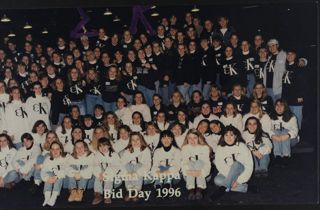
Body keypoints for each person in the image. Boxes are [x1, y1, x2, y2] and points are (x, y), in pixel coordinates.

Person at [211, 125, 253, 200]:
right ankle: (245, 188)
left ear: (236, 136)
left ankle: (223, 188)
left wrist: (240, 180)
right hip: (227, 174)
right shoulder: (220, 148)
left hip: (241, 171)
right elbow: (220, 166)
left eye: (231, 135)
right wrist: (232, 179)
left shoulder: (242, 146)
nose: (228, 138)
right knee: (217, 180)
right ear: (223, 137)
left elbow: (249, 165)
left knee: (236, 164)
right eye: (226, 135)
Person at [119, 132, 151, 202]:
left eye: (137, 139)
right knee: (127, 164)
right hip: (130, 174)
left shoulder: (146, 150)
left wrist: (137, 173)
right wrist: (126, 173)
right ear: (130, 141)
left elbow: (148, 165)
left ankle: (136, 190)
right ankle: (130, 190)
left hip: (143, 175)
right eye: (133, 140)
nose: (135, 142)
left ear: (141, 140)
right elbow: (121, 164)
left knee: (137, 164)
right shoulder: (128, 151)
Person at [181, 129, 211, 200]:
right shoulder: (185, 148)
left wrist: (200, 172)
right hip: (189, 174)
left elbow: (207, 164)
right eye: (190, 138)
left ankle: (199, 190)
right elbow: (183, 163)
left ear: (199, 138)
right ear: (187, 139)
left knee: (198, 162)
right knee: (190, 162)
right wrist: (189, 172)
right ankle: (191, 190)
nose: (192, 140)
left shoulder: (204, 148)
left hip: (204, 175)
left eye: (195, 138)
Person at [92, 137, 121, 205]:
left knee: (109, 175)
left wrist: (105, 174)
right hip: (101, 179)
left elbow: (116, 167)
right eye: (100, 146)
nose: (102, 148)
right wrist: (99, 174)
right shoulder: (97, 155)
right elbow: (95, 165)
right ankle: (98, 194)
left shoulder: (114, 155)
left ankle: (107, 194)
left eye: (104, 145)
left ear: (109, 146)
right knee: (98, 172)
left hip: (114, 179)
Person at [270, 99, 299, 166]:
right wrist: (273, 136)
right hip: (276, 139)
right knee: (275, 131)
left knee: (285, 131)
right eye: (277, 105)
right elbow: (268, 130)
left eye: (281, 105)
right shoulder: (271, 116)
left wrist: (286, 135)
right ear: (274, 107)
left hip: (291, 139)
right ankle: (278, 156)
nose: (279, 107)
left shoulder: (292, 116)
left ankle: (286, 156)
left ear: (285, 107)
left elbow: (295, 131)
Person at [281, 49, 305, 129]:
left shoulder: (299, 68)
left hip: (296, 98)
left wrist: (300, 95)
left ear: (295, 56)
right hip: (287, 98)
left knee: (297, 117)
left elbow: (302, 83)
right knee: (289, 118)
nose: (290, 56)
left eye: (292, 54)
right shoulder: (286, 67)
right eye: (288, 54)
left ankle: (298, 136)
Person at [41, 141, 67, 207]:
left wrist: (56, 176)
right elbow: (43, 171)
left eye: (57, 149)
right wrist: (47, 178)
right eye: (53, 149)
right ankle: (47, 198)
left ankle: (53, 197)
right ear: (50, 150)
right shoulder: (48, 159)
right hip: (52, 179)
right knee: (48, 174)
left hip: (65, 180)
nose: (55, 151)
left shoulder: (66, 157)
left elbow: (67, 170)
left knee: (59, 175)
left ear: (61, 150)